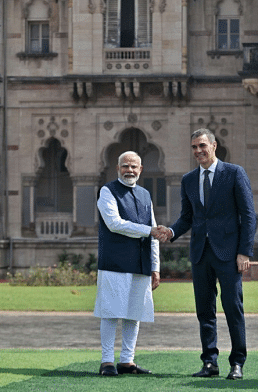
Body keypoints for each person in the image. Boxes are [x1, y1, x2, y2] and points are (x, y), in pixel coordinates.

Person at [158, 129, 256, 380]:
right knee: (204, 310)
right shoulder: (189, 180)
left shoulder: (234, 173)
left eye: (202, 145)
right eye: (194, 147)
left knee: (233, 308)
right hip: (200, 253)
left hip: (229, 254)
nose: (198, 151)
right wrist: (170, 231)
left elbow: (248, 216)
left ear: (214, 145)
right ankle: (210, 362)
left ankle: (237, 363)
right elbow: (187, 218)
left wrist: (244, 252)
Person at [94, 151, 167, 376]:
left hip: (141, 262)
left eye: (134, 166)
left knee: (134, 312)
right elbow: (114, 223)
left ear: (141, 169)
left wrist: (155, 267)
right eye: (125, 166)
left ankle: (127, 361)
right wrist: (148, 231)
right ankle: (107, 361)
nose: (130, 170)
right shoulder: (107, 191)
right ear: (118, 168)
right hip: (114, 262)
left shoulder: (145, 195)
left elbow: (153, 231)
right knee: (110, 312)